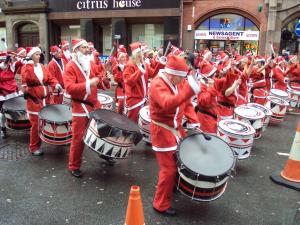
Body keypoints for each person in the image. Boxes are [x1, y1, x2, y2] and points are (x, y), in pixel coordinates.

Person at [149, 55, 200, 216]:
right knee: (168, 169)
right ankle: (160, 204)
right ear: (172, 74)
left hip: (175, 129)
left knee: (180, 160)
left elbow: (187, 104)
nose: (183, 80)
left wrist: (194, 122)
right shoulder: (157, 84)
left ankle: (172, 187)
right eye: (181, 77)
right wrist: (187, 92)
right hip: (161, 131)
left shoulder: (178, 80)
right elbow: (167, 103)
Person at [63, 39, 111, 178]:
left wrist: (105, 79)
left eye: (87, 47)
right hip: (79, 107)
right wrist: (90, 82)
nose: (87, 49)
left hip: (94, 105)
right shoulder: (70, 66)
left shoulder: (90, 63)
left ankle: (105, 153)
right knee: (78, 139)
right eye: (83, 47)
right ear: (76, 50)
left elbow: (99, 81)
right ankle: (74, 166)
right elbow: (70, 88)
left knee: (101, 132)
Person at [22, 47, 61, 156]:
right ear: (31, 56)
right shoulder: (26, 67)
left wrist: (56, 84)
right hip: (33, 100)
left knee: (43, 123)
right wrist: (29, 64)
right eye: (36, 54)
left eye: (40, 54)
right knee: (35, 125)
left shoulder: (42, 66)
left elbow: (50, 78)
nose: (39, 56)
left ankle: (42, 141)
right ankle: (33, 147)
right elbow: (28, 78)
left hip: (45, 100)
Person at [0, 51, 21, 138]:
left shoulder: (11, 66)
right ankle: (2, 128)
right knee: (2, 112)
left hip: (13, 91)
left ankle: (15, 121)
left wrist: (19, 56)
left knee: (15, 107)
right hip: (2, 92)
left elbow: (19, 62)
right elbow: (3, 66)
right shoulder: (2, 66)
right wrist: (6, 60)